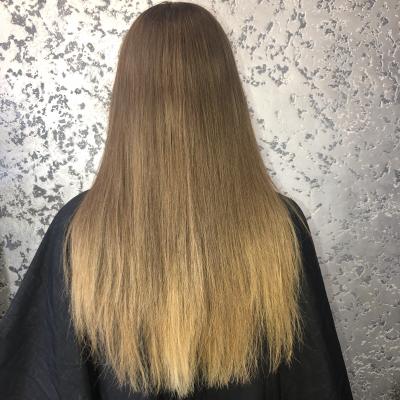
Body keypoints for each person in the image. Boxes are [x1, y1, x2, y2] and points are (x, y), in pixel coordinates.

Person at [0, 2, 353, 399]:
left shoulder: (79, 229)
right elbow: (315, 383)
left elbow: (44, 378)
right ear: (226, 95)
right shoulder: (280, 226)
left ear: (127, 98)